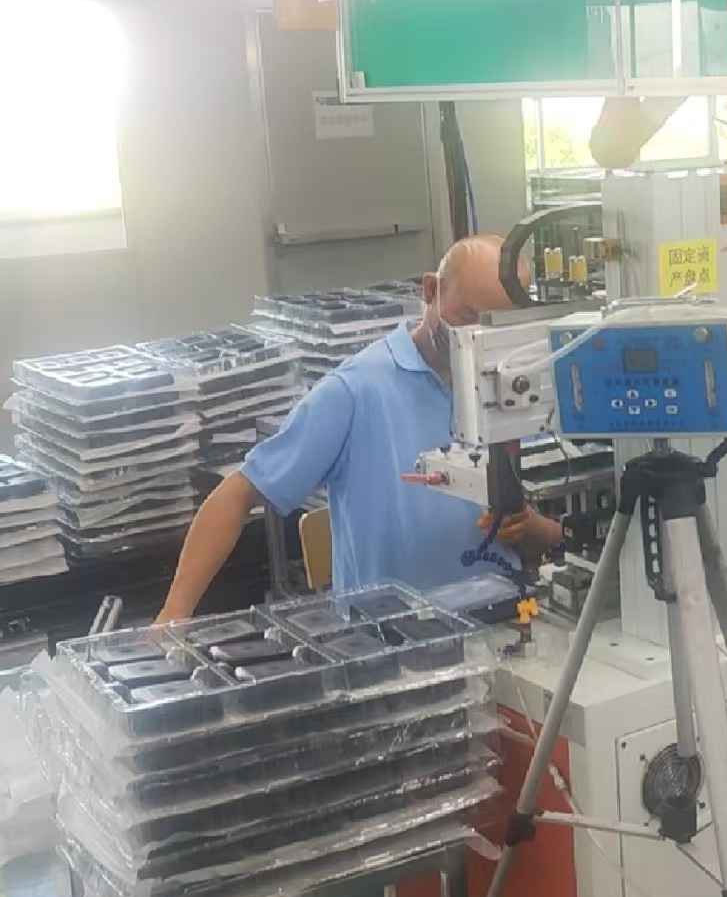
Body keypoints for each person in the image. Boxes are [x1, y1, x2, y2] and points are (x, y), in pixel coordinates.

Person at [154, 236, 562, 624]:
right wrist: (172, 617)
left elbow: (549, 537)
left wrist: (532, 528)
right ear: (431, 290)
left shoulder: (514, 383)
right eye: (467, 318)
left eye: (495, 326)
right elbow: (239, 493)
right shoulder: (357, 390)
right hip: (393, 636)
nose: (477, 339)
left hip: (506, 619)